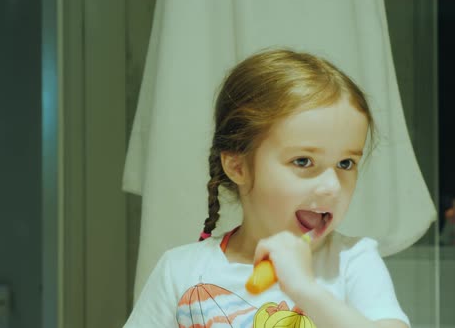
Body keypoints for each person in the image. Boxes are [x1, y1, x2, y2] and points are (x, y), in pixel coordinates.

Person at [123, 49, 410, 328]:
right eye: (303, 161)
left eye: (345, 163)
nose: (332, 187)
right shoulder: (181, 271)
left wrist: (304, 289)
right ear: (238, 167)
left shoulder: (353, 262)